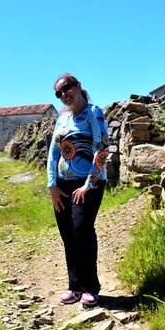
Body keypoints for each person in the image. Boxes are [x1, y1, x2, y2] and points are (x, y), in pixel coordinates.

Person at [47, 74, 110, 307]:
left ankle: (90, 288)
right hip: (62, 185)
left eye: (66, 88)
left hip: (88, 183)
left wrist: (88, 184)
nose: (64, 94)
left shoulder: (94, 112)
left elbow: (102, 147)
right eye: (58, 92)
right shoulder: (62, 118)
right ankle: (74, 287)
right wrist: (52, 184)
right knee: (67, 235)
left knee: (82, 230)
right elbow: (53, 153)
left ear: (78, 86)